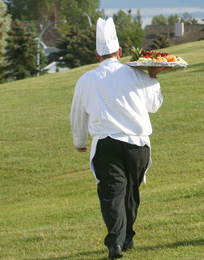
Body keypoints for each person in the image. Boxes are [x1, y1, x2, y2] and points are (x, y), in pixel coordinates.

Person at [70, 17, 169, 259]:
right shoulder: (135, 73)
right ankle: (127, 238)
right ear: (120, 51)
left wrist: (79, 141)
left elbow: (77, 114)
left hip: (106, 144)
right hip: (137, 144)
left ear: (97, 55)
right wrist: (154, 76)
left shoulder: (86, 80)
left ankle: (117, 241)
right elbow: (154, 106)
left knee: (112, 193)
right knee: (131, 192)